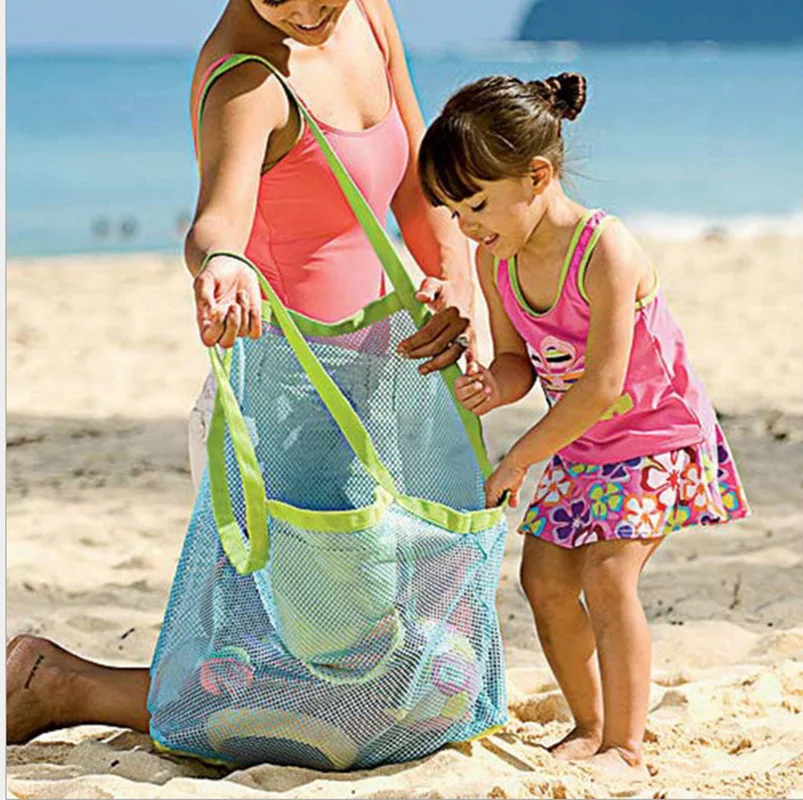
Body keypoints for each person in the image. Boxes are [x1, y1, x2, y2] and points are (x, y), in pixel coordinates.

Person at [6, 0, 474, 746]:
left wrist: (455, 281)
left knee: (399, 676)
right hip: (282, 417)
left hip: (380, 391)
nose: (308, 10)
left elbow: (417, 181)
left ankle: (64, 681)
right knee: (342, 692)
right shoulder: (245, 80)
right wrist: (223, 262)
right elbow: (215, 223)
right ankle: (64, 684)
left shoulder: (368, 14)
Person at [418, 72, 750, 779]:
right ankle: (589, 723)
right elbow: (518, 361)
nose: (466, 225)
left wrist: (518, 458)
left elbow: (601, 386)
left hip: (656, 437)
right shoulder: (496, 259)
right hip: (582, 443)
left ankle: (625, 745)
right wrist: (493, 385)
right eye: (452, 210)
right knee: (542, 580)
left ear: (536, 176)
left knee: (607, 574)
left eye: (476, 203)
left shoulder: (605, 249)